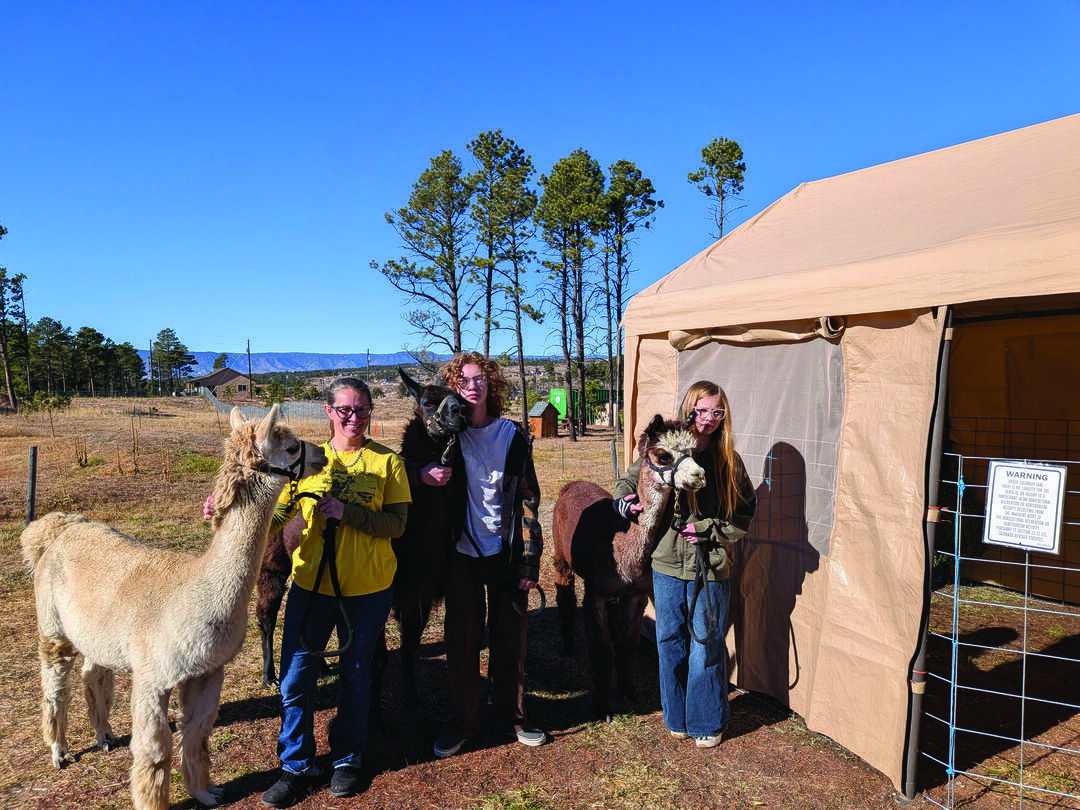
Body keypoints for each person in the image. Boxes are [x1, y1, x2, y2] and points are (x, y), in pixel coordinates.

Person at [256, 377, 410, 806]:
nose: (354, 418)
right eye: (345, 410)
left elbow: (397, 525)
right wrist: (226, 507)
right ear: (329, 411)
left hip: (367, 589)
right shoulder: (304, 460)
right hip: (311, 586)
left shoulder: (387, 464)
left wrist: (349, 512)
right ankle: (295, 765)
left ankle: (347, 759)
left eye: (362, 410)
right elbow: (273, 516)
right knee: (296, 678)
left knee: (356, 675)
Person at [612, 380, 756, 748]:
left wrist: (709, 528)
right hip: (667, 562)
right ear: (689, 408)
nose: (708, 419)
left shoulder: (728, 461)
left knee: (705, 644)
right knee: (670, 639)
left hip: (711, 564)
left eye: (717, 412)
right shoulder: (666, 446)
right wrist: (626, 502)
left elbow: (744, 514)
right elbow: (629, 480)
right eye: (702, 410)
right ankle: (676, 715)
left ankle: (706, 720)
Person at [422, 352, 546, 758]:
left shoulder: (512, 436)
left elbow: (529, 498)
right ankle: (463, 721)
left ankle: (513, 715)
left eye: (479, 380)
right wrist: (423, 474)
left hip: (505, 552)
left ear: (491, 385)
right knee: (462, 641)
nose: (472, 387)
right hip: (461, 555)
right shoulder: (447, 436)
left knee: (511, 639)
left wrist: (529, 559)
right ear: (454, 388)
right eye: (463, 382)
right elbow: (410, 460)